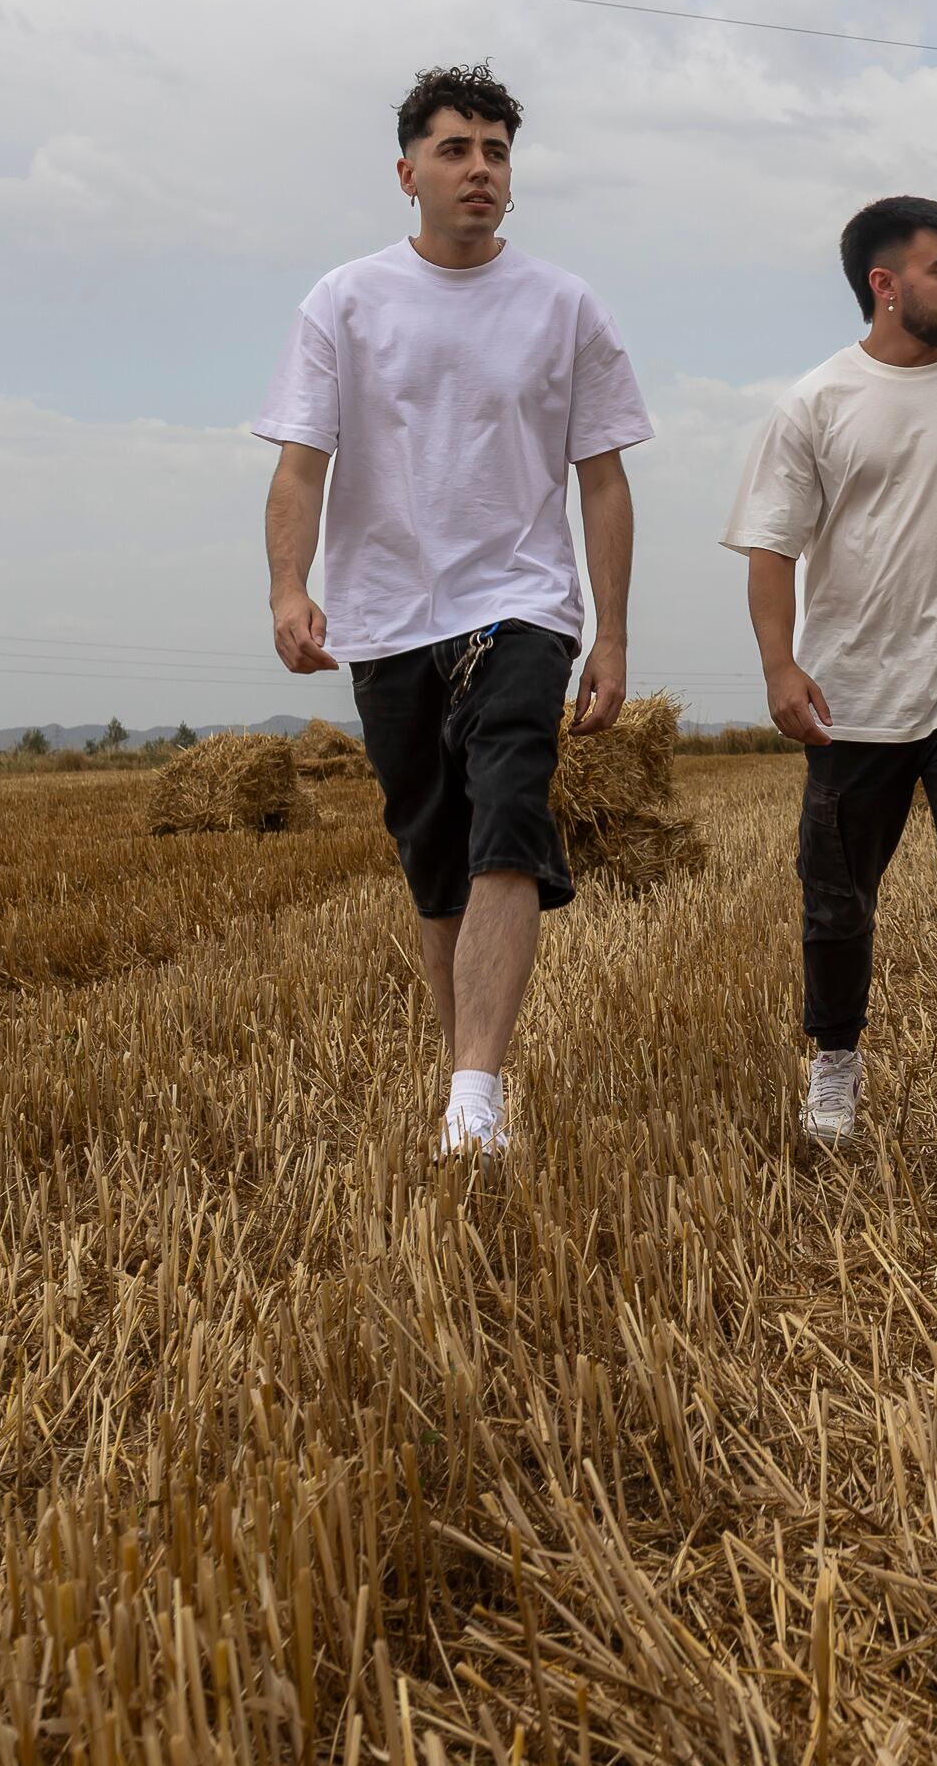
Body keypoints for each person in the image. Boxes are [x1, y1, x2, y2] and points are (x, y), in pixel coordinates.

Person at [256, 64, 652, 1159]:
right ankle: (465, 1081)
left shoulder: (565, 307)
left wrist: (610, 633)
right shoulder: (344, 301)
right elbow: (301, 464)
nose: (480, 170)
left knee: (508, 821)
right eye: (456, 150)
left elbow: (603, 480)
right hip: (388, 618)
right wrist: (289, 586)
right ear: (408, 173)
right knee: (435, 863)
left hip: (522, 602)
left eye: (497, 152)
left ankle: (476, 1091)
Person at [723, 196, 937, 1174]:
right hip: (852, 701)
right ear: (885, 285)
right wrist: (780, 665)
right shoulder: (816, 403)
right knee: (836, 901)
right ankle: (835, 1061)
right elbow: (770, 548)